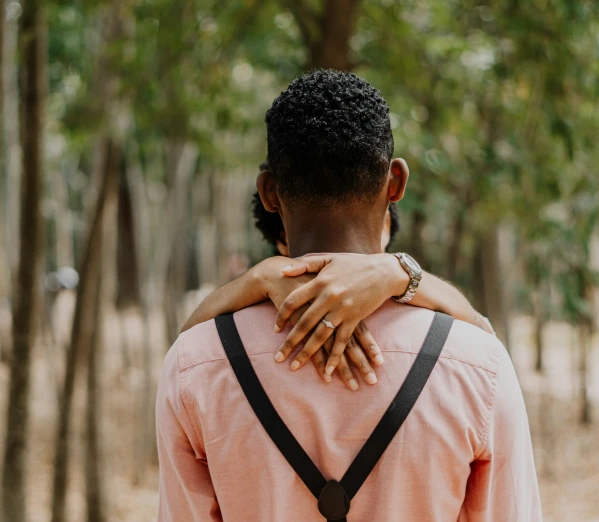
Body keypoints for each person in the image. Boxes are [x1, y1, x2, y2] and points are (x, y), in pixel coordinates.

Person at [156, 70, 541, 521]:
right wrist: (406, 274)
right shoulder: (478, 364)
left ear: (268, 193)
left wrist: (253, 281)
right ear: (395, 183)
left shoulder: (195, 365)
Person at [182, 172, 494, 390]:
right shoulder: (463, 354)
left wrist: (399, 273)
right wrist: (258, 277)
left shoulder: (446, 335)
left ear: (386, 226)